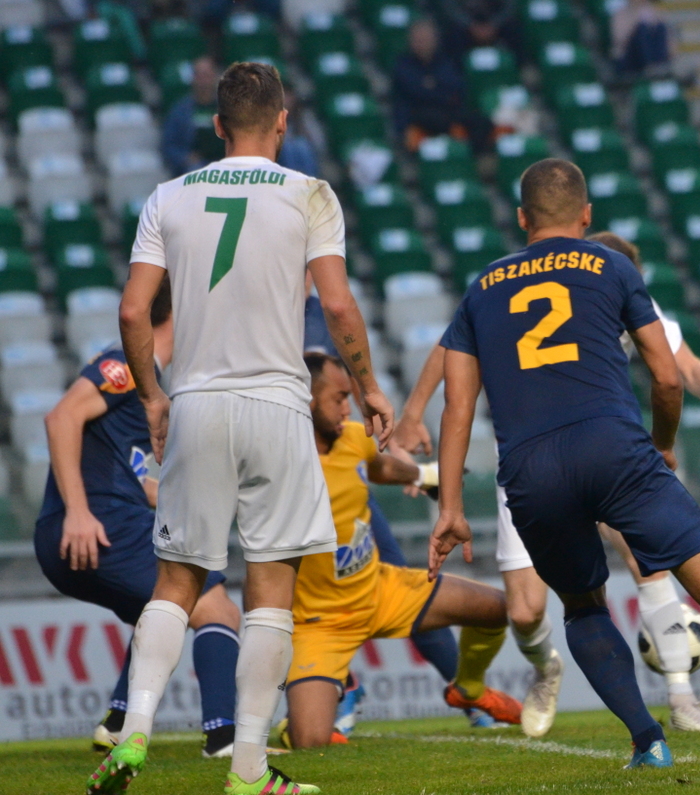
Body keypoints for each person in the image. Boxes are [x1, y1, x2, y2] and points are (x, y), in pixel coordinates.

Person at [429, 158, 700, 768]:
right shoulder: (611, 264)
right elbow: (666, 376)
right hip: (612, 445)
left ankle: (646, 739)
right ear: (586, 215)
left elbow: (457, 409)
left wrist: (449, 508)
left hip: (531, 467)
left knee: (582, 605)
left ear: (522, 218)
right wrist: (662, 441)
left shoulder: (482, 289)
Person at [88, 62, 393, 795]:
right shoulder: (309, 193)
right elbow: (340, 307)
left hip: (195, 401)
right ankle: (249, 767)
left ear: (217, 126)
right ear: (283, 121)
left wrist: (155, 399)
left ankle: (132, 735)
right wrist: (372, 387)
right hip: (277, 404)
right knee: (270, 589)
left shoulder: (168, 196)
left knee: (176, 581)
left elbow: (133, 312)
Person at [398, 230, 700, 736]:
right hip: (533, 464)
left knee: (644, 557)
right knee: (524, 611)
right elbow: (452, 347)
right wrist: (413, 411)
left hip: (603, 451)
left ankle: (681, 698)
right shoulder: (543, 292)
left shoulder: (629, 297)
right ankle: (546, 666)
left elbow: (685, 366)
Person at [34, 283, 243, 758]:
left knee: (160, 611)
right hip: (95, 524)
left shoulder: (153, 381)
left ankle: (118, 721)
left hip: (89, 527)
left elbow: (130, 473)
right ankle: (224, 736)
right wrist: (80, 512)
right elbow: (61, 418)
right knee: (214, 607)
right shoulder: (130, 363)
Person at [281, 354, 520, 748]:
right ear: (305, 398)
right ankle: (300, 721)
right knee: (311, 743)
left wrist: (427, 476)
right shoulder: (281, 461)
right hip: (320, 623)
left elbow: (379, 467)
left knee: (501, 608)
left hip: (380, 590)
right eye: (339, 398)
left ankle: (470, 689)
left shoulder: (353, 438)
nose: (347, 408)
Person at [302, 281, 493, 732]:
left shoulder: (319, 312)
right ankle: (339, 685)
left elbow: (341, 391)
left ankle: (464, 691)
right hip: (285, 491)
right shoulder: (253, 318)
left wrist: (420, 471)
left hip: (343, 488)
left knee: (407, 592)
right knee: (291, 603)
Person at [392, 18, 494, 153]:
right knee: (434, 118)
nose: (422, 43)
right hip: (418, 113)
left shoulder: (445, 61)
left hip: (448, 110)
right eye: (418, 39)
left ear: (435, 39)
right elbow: (416, 92)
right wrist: (439, 90)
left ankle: (472, 157)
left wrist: (432, 86)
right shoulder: (402, 65)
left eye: (426, 38)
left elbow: (456, 86)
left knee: (481, 121)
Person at [162, 55, 226, 177]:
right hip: (196, 166)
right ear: (193, 78)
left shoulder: (230, 109)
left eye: (207, 75)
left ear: (215, 77)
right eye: (199, 75)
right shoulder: (180, 111)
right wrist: (185, 158)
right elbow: (168, 146)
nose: (203, 81)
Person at [434, 0, 521, 62]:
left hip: (495, 23)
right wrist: (470, 25)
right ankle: (458, 73)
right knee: (453, 31)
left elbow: (510, 6)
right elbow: (450, 8)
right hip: (465, 26)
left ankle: (522, 68)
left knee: (513, 25)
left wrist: (494, 24)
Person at [610, 0, 674, 78]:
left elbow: (667, 39)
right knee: (642, 28)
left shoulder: (654, 13)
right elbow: (619, 40)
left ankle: (660, 64)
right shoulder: (621, 14)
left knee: (660, 26)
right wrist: (636, 19)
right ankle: (649, 65)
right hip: (629, 58)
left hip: (654, 55)